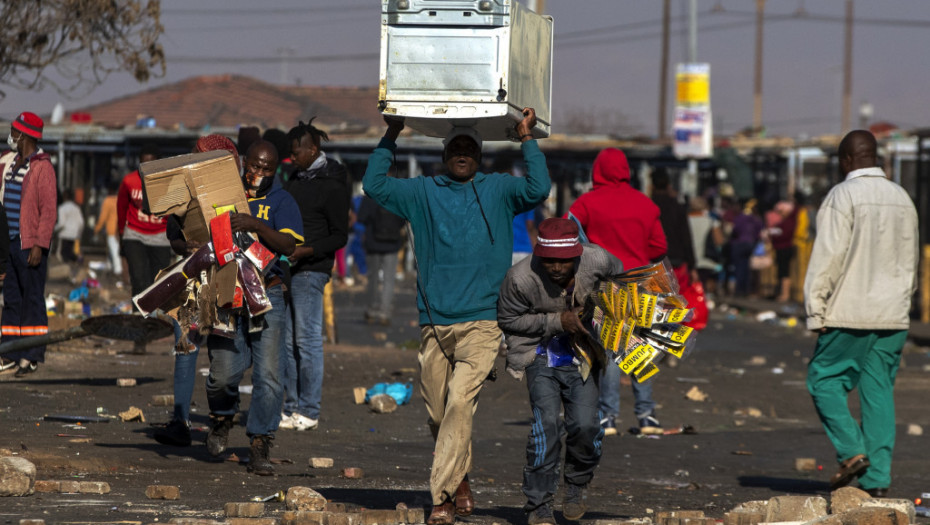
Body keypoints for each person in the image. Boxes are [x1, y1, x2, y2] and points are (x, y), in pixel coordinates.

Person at [363, 108, 550, 525]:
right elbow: (373, 184)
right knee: (437, 413)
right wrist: (391, 135)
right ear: (445, 154)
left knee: (460, 403)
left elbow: (540, 187)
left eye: (469, 147)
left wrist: (526, 138)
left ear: (480, 156)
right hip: (434, 321)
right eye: (455, 147)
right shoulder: (421, 192)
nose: (462, 153)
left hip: (484, 321)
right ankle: (460, 477)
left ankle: (442, 498)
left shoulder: (500, 190)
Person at [804, 130, 918, 498]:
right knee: (879, 392)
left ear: (846, 161)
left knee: (823, 381)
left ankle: (852, 451)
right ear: (877, 157)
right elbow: (911, 261)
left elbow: (827, 259)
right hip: (893, 314)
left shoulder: (842, 196)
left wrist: (816, 309)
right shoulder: (902, 198)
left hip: (849, 311)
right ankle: (877, 479)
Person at [498, 218, 622, 525]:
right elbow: (508, 319)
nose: (556, 268)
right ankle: (538, 504)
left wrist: (606, 310)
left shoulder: (598, 260)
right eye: (549, 261)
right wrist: (556, 322)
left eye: (564, 262)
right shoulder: (520, 278)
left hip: (585, 355)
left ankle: (576, 484)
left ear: (577, 255)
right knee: (547, 425)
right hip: (538, 354)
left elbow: (623, 283)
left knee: (586, 426)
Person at [204, 140, 304, 476]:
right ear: (244, 161)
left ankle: (260, 444)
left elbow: (289, 245)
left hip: (268, 293)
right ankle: (221, 418)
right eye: (255, 165)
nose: (259, 173)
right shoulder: (226, 191)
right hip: (227, 294)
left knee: (270, 375)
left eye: (267, 168)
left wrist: (257, 226)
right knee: (223, 373)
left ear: (276, 169)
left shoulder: (282, 200)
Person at [567, 148, 666, 436]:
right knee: (639, 348)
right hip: (642, 284)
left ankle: (608, 417)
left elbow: (566, 232)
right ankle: (647, 414)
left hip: (605, 284)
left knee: (611, 350)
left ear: (596, 171)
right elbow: (659, 247)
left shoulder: (586, 203)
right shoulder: (646, 204)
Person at [153, 134, 241, 448]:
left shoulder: (238, 192)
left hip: (229, 276)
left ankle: (221, 420)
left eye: (198, 156)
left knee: (222, 351)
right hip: (194, 276)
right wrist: (184, 245)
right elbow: (173, 236)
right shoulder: (183, 193)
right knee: (186, 344)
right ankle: (181, 421)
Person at [281, 118, 349, 431]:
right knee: (287, 341)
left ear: (314, 149)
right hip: (287, 267)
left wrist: (306, 251)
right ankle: (290, 406)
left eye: (298, 152)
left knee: (306, 340)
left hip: (311, 269)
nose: (293, 157)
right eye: (291, 152)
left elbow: (339, 236)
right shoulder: (294, 179)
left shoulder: (333, 182)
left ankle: (309, 409)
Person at [0, 112, 58, 376]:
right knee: (11, 298)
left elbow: (48, 211)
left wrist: (39, 245)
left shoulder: (42, 167)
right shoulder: (9, 162)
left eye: (14, 131)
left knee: (32, 299)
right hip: (9, 242)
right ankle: (9, 352)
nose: (11, 136)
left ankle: (31, 354)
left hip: (29, 244)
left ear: (24, 135)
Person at [117, 143, 172, 315]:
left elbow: (174, 211)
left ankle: (155, 319)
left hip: (160, 236)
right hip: (134, 234)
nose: (146, 168)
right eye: (143, 164)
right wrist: (121, 235)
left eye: (151, 163)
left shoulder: (168, 183)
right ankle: (138, 317)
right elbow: (121, 207)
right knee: (139, 278)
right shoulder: (129, 181)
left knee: (158, 281)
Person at [358, 195, 405, 325]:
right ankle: (385, 312)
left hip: (373, 243)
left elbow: (361, 217)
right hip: (393, 243)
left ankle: (372, 310)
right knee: (389, 280)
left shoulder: (371, 196)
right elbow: (403, 219)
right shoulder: (395, 196)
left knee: (373, 279)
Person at [650, 168, 695, 286]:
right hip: (676, 260)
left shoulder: (648, 206)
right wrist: (692, 265)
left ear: (652, 185)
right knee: (678, 299)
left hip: (654, 261)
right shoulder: (677, 206)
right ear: (668, 185)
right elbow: (686, 236)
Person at [729, 199, 763, 297]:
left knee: (739, 267)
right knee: (746, 267)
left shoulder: (739, 218)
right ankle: (745, 290)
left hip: (739, 244)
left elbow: (735, 230)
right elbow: (758, 232)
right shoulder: (756, 219)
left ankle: (739, 290)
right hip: (750, 244)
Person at [93, 181, 123, 282]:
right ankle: (111, 270)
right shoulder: (120, 199)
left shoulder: (108, 201)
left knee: (114, 252)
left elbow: (103, 217)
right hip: (120, 229)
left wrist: (97, 229)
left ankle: (118, 272)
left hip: (111, 230)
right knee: (113, 252)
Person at [768, 200, 797, 302]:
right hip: (780, 248)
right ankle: (781, 293)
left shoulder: (789, 222)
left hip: (785, 248)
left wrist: (774, 233)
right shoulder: (784, 221)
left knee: (784, 271)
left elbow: (785, 234)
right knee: (781, 271)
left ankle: (785, 294)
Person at [55, 189, 84, 265]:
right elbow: (81, 222)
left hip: (64, 235)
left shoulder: (62, 208)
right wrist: (79, 234)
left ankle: (66, 270)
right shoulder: (76, 208)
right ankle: (78, 259)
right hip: (74, 235)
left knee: (61, 255)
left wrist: (53, 230)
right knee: (69, 253)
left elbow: (62, 224)